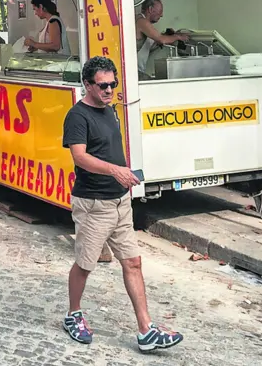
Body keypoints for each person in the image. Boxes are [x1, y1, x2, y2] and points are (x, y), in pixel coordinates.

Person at [61, 56, 183, 352]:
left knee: (133, 262)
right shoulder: (78, 116)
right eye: (103, 85)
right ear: (87, 85)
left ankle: (146, 330)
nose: (109, 90)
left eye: (113, 84)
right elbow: (79, 156)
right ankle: (73, 314)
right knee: (85, 264)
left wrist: (124, 174)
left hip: (119, 202)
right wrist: (115, 171)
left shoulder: (111, 111)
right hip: (93, 203)